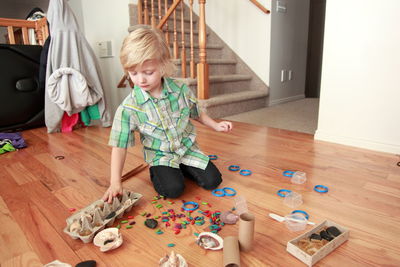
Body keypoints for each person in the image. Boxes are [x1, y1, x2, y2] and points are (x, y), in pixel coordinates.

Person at [102, 26, 232, 203]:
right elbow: (119, 146)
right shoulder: (129, 108)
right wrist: (115, 182)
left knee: (213, 181)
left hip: (187, 149)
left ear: (163, 65)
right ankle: (161, 171)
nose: (141, 80)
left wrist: (215, 125)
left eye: (148, 72)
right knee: (173, 190)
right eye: (133, 73)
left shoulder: (180, 90)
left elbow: (197, 113)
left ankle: (182, 166)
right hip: (161, 156)